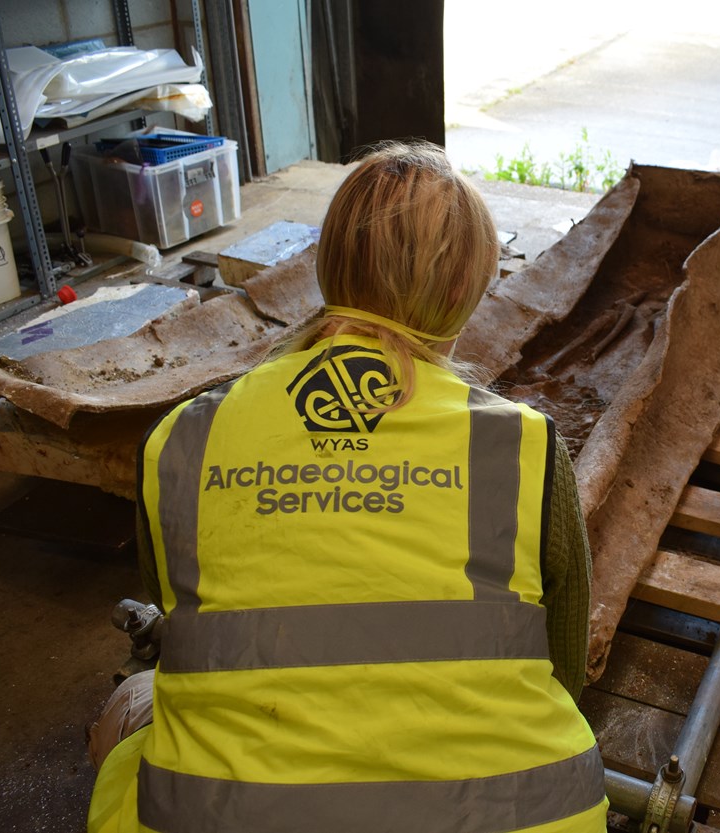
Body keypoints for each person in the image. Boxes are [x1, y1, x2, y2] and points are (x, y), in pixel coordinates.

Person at [86, 140, 609, 833]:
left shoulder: (185, 437)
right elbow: (561, 675)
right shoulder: (523, 446)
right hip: (514, 817)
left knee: (136, 704)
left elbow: (181, 623)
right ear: (461, 293)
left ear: (328, 268)